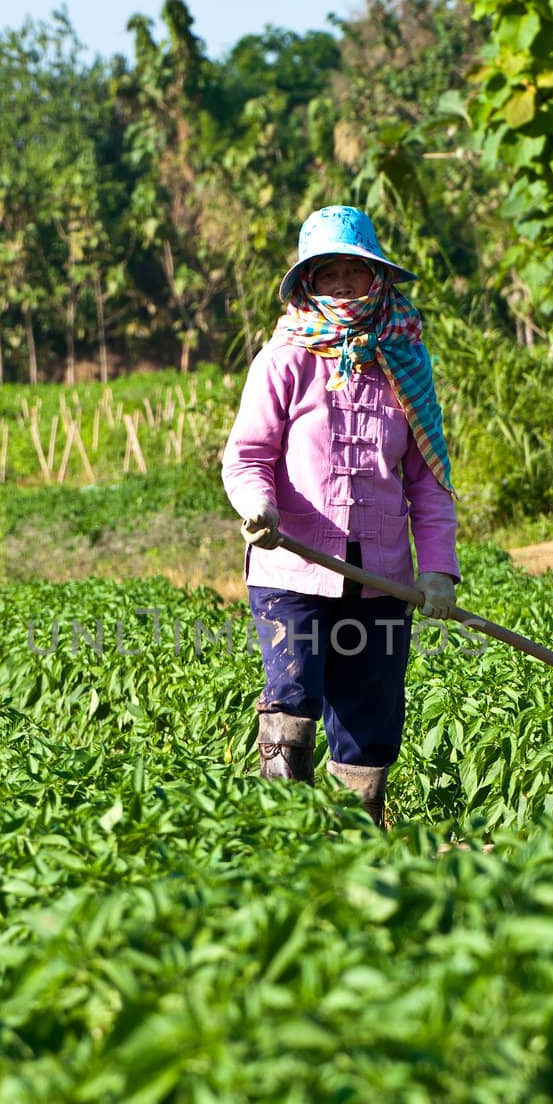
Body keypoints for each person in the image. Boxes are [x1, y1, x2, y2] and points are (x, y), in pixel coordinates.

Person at [221, 204, 460, 826]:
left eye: (353, 269)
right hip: (292, 569)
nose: (342, 284)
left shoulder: (404, 361)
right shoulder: (284, 359)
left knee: (371, 715)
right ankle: (286, 832)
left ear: (375, 276)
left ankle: (354, 840)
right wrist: (257, 505)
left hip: (382, 577)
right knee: (293, 698)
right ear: (307, 284)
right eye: (327, 274)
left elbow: (429, 483)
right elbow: (247, 457)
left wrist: (437, 573)